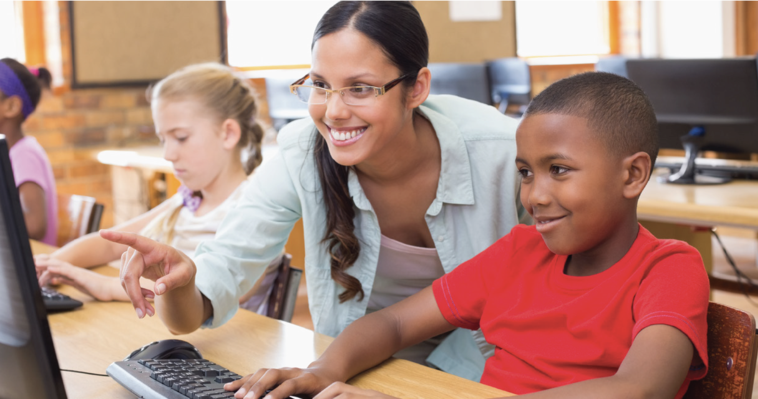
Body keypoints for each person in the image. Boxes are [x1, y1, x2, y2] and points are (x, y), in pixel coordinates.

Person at [101, 1, 530, 381]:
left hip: (490, 369)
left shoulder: (503, 153)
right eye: (321, 85)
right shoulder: (302, 153)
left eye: (360, 88)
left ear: (416, 88)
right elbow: (213, 285)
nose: (334, 111)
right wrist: (181, 282)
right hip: (359, 365)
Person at [224, 72, 711, 399]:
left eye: (559, 170)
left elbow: (641, 388)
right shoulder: (520, 251)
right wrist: (323, 371)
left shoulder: (668, 268)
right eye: (525, 172)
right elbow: (394, 325)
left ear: (632, 175)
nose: (535, 195)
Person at [36, 63, 276, 308]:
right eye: (163, 140)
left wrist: (104, 286)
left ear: (228, 134)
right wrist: (51, 263)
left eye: (181, 138)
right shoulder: (187, 200)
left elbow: (212, 289)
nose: (168, 154)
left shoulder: (256, 209)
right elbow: (110, 245)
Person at [0, 58, 57, 245]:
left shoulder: (24, 154)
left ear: (12, 106)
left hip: (35, 260)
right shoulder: (11, 153)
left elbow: (34, 225)